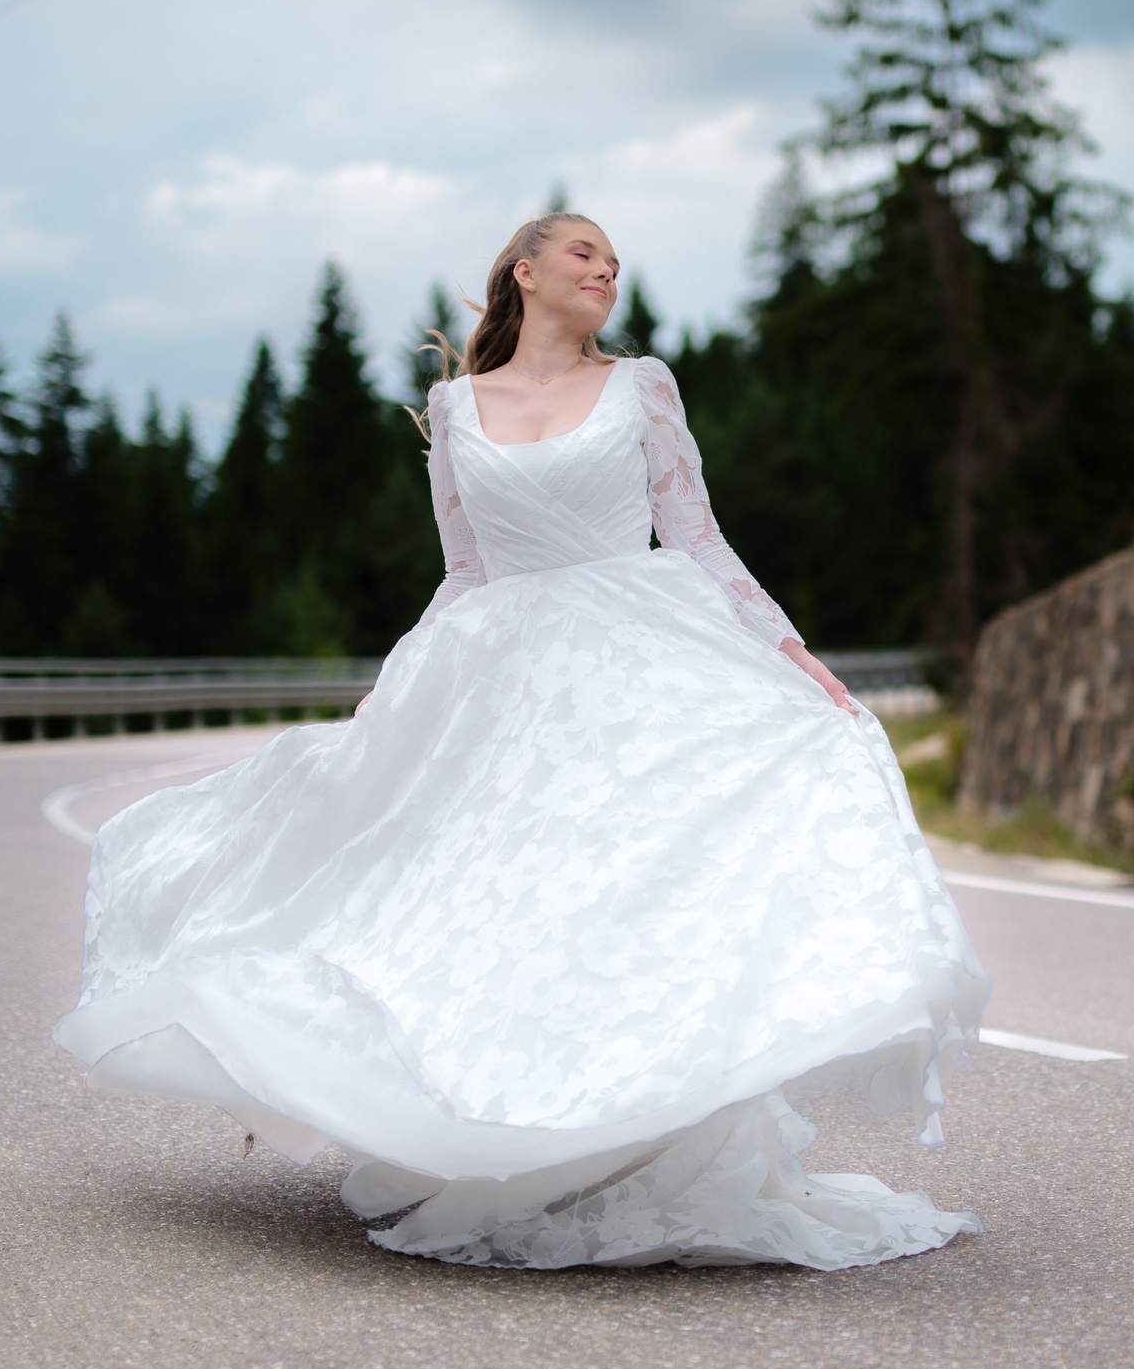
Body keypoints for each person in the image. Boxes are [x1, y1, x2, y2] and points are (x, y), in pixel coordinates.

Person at [55, 212, 992, 1270]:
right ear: (526, 269)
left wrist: (789, 648)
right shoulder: (455, 409)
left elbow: (695, 536)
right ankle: (517, 1123)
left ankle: (648, 1134)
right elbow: (466, 570)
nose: (605, 269)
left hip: (640, 663)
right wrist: (396, 683)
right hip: (504, 678)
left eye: (615, 262)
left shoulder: (643, 384)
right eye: (585, 251)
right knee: (509, 902)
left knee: (629, 890)